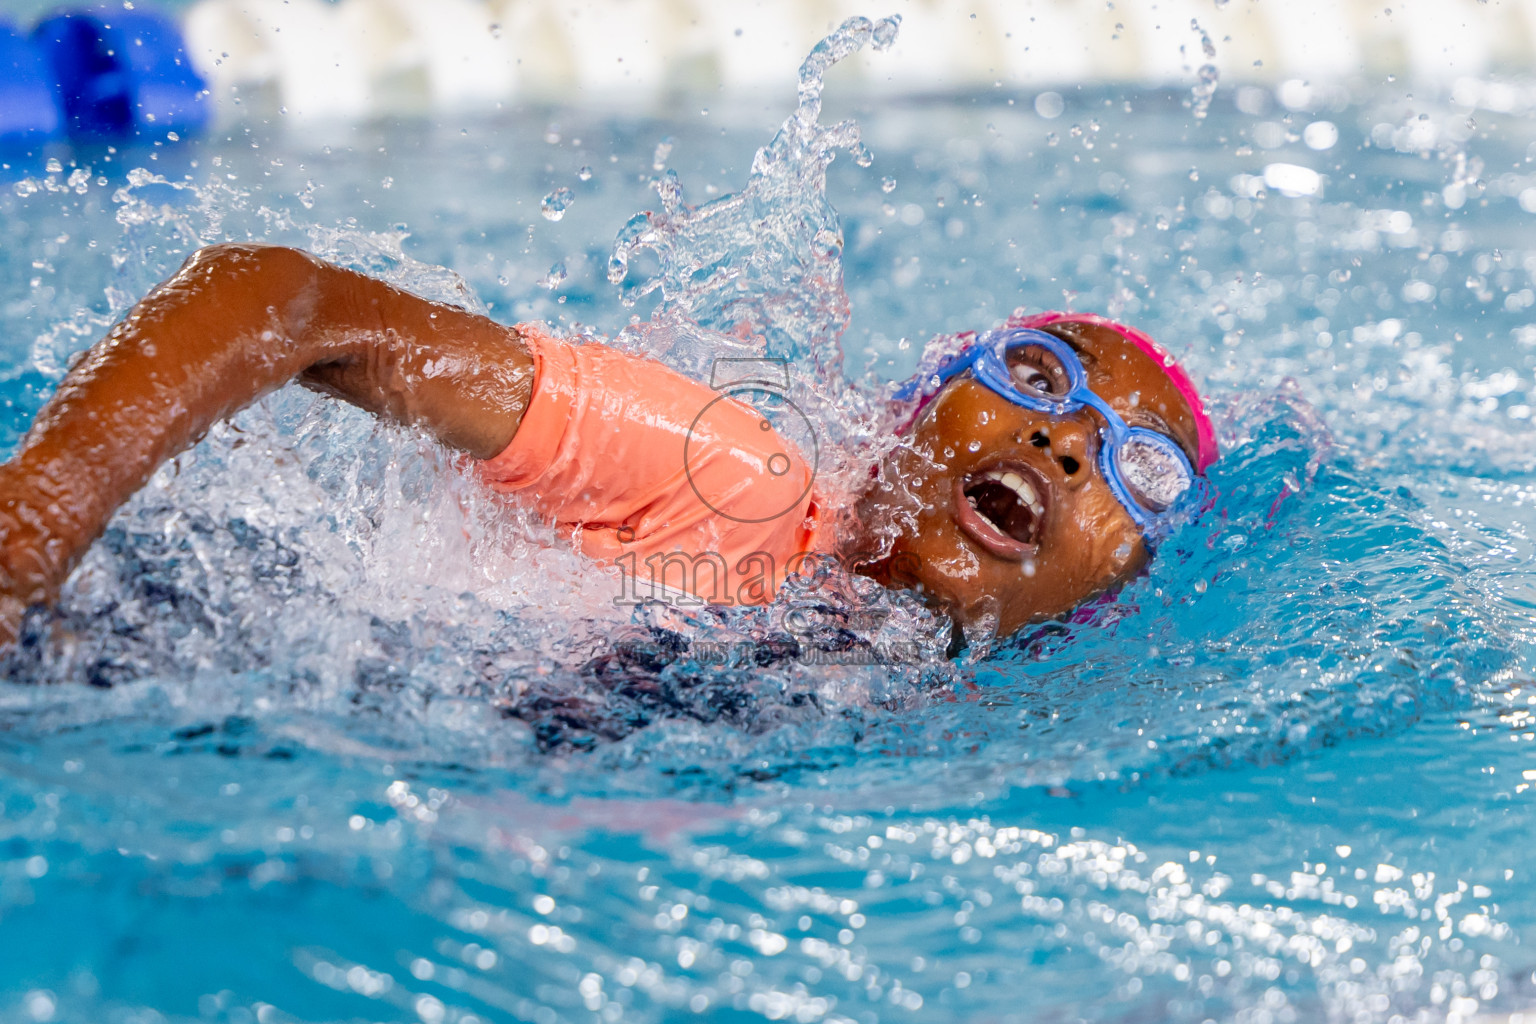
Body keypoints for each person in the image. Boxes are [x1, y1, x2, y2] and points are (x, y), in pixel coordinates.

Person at [0, 243, 1216, 649]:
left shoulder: (968, 727)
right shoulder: (730, 482)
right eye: (1034, 377)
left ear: (1118, 591)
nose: (1066, 444)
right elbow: (281, 298)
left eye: (1140, 469)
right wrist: (31, 530)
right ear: (907, 416)